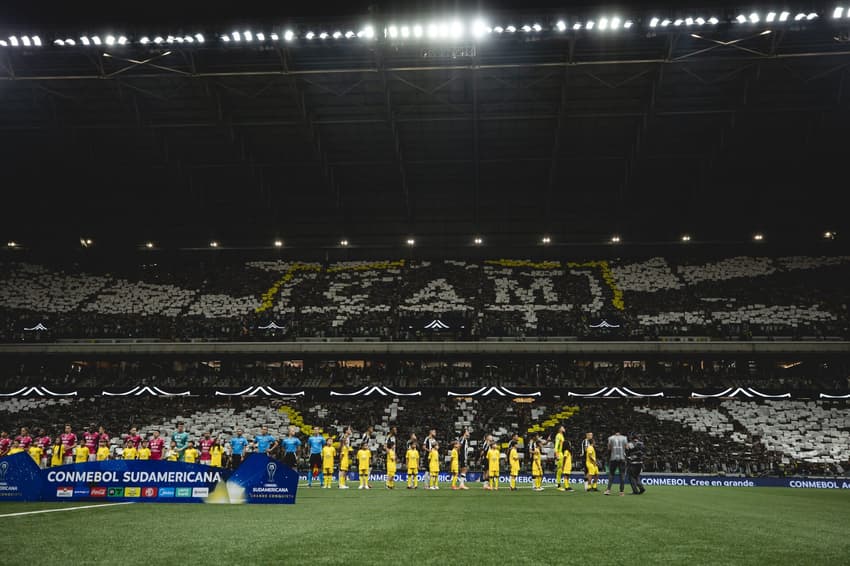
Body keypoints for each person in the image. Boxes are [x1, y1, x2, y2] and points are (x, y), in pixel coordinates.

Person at [605, 430, 628, 497]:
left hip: (613, 458)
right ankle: (621, 492)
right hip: (622, 458)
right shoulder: (624, 438)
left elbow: (609, 448)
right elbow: (627, 447)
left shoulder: (610, 438)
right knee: (622, 475)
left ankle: (608, 490)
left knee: (611, 474)